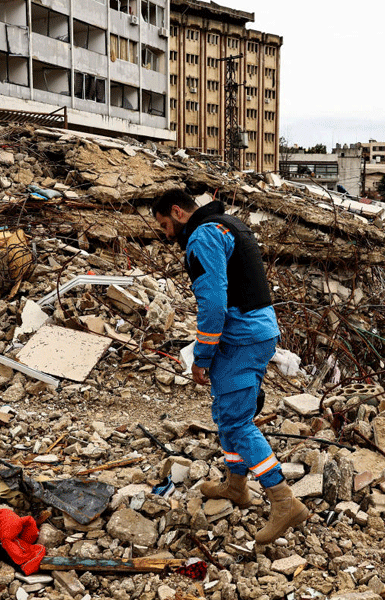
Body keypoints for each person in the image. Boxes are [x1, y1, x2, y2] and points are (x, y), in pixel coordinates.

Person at [153, 189, 310, 545]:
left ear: (177, 212)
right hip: (255, 332)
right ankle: (237, 485)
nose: (166, 234)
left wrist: (203, 356)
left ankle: (284, 502)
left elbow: (213, 302)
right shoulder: (229, 224)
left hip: (241, 337)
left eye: (164, 224)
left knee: (237, 422)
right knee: (228, 414)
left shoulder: (203, 235)